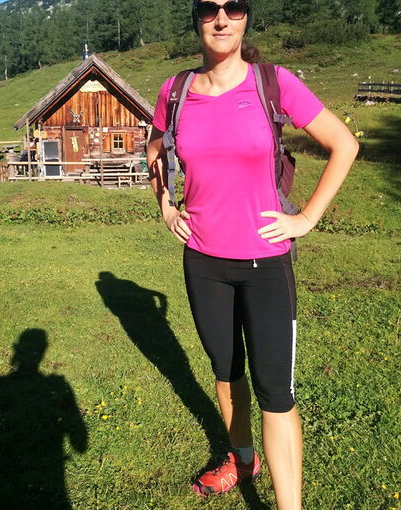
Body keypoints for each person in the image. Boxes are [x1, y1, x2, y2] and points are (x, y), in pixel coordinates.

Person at [146, 0, 359, 508]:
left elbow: (344, 144)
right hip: (204, 263)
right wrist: (166, 206)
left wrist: (305, 219)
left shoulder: (273, 82)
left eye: (234, 7)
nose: (221, 19)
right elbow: (155, 150)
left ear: (245, 18)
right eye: (209, 9)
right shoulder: (175, 91)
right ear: (197, 19)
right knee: (226, 374)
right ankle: (242, 460)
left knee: (275, 394)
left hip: (266, 264)